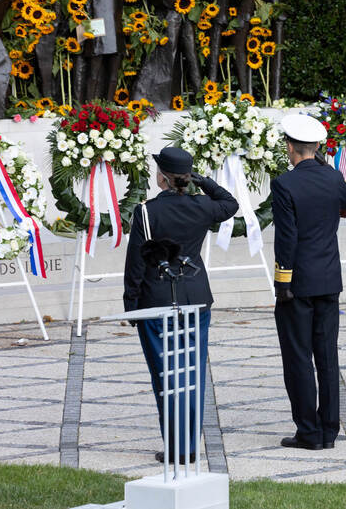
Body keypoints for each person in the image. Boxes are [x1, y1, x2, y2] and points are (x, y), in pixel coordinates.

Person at [124, 146, 238, 463]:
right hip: (195, 297)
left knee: (166, 375)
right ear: (186, 178)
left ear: (161, 177)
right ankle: (188, 445)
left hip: (157, 299)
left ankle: (177, 448)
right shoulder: (202, 206)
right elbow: (230, 204)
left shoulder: (147, 212)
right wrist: (203, 182)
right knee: (192, 373)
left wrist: (131, 304)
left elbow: (136, 261)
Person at [272, 114, 346, 450]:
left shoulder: (285, 184)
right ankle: (329, 429)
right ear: (318, 148)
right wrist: (328, 169)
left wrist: (282, 281)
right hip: (329, 279)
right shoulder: (332, 176)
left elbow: (287, 238)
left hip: (298, 282)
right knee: (327, 357)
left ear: (291, 147)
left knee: (298, 357)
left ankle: (308, 431)